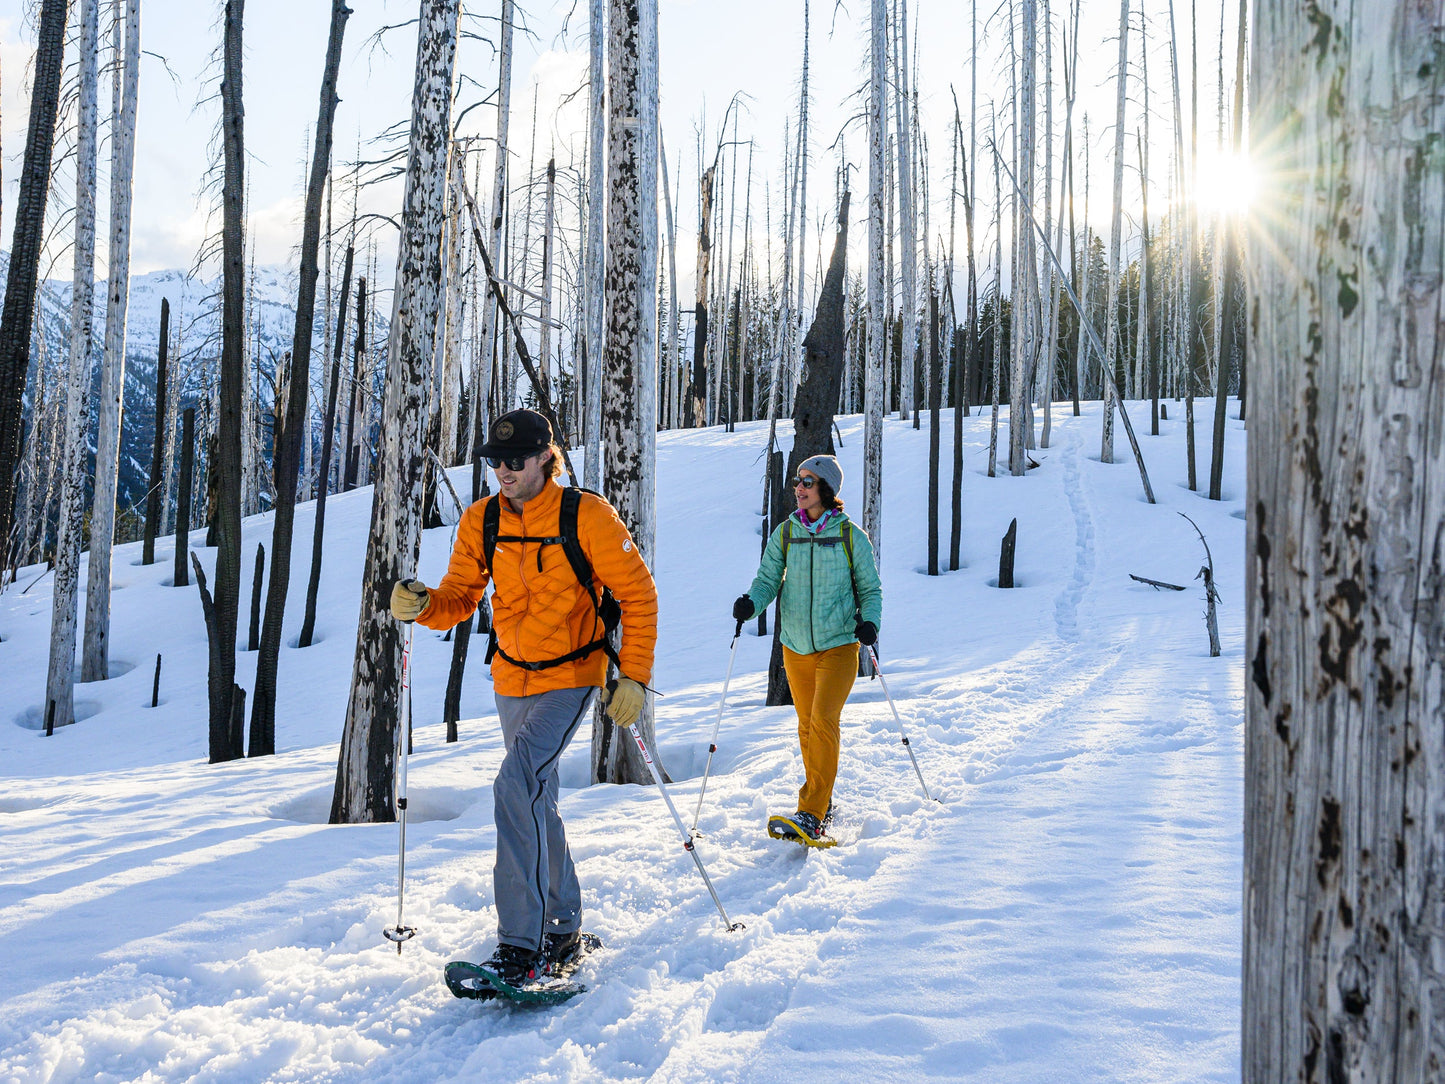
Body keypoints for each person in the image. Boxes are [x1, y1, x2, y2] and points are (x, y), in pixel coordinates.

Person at [390, 408, 658, 984]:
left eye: (514, 462)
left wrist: (632, 676)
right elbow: (461, 596)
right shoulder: (481, 520)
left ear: (545, 458)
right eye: (494, 462)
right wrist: (423, 604)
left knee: (514, 785)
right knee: (535, 799)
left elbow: (638, 594)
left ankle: (522, 945)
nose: (503, 472)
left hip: (573, 674)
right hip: (512, 679)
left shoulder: (586, 516)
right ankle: (562, 928)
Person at [732, 454, 882, 847]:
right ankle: (823, 798)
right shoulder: (786, 533)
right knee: (806, 726)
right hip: (795, 646)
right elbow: (767, 579)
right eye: (798, 480)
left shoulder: (851, 536)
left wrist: (871, 622)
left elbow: (870, 589)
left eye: (808, 482)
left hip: (838, 645)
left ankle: (812, 813)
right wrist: (752, 604)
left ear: (826, 490)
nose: (798, 487)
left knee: (823, 722)